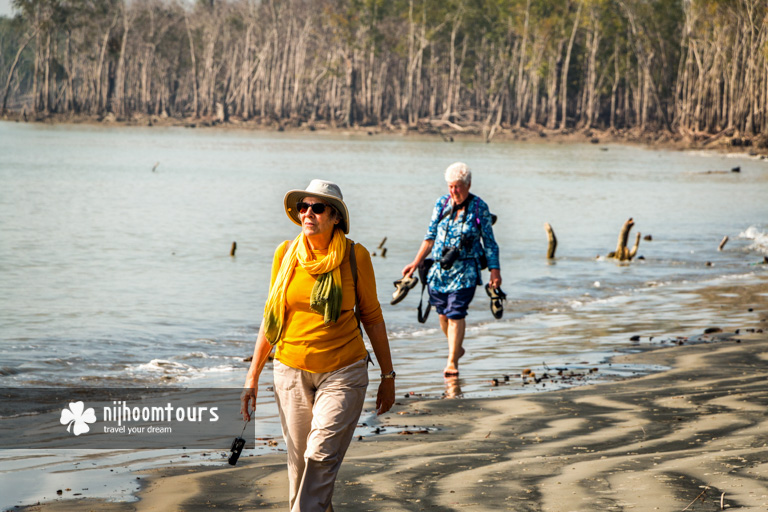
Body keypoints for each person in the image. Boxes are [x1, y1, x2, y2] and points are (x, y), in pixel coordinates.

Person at [241, 179, 395, 512]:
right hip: (290, 372)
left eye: (317, 208)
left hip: (344, 372)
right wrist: (252, 376)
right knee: (301, 470)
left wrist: (388, 375)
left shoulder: (356, 256)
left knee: (320, 456)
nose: (308, 213)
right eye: (303, 207)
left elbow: (372, 317)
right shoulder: (285, 254)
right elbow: (272, 318)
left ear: (335, 216)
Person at [401, 162, 501, 377]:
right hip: (438, 270)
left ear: (468, 184)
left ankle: (452, 361)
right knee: (442, 315)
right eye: (450, 186)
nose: (454, 191)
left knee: (456, 313)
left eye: (458, 186)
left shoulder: (479, 207)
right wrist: (416, 261)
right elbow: (429, 237)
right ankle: (456, 348)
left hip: (465, 270)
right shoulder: (441, 203)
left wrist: (494, 270)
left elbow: (490, 242)